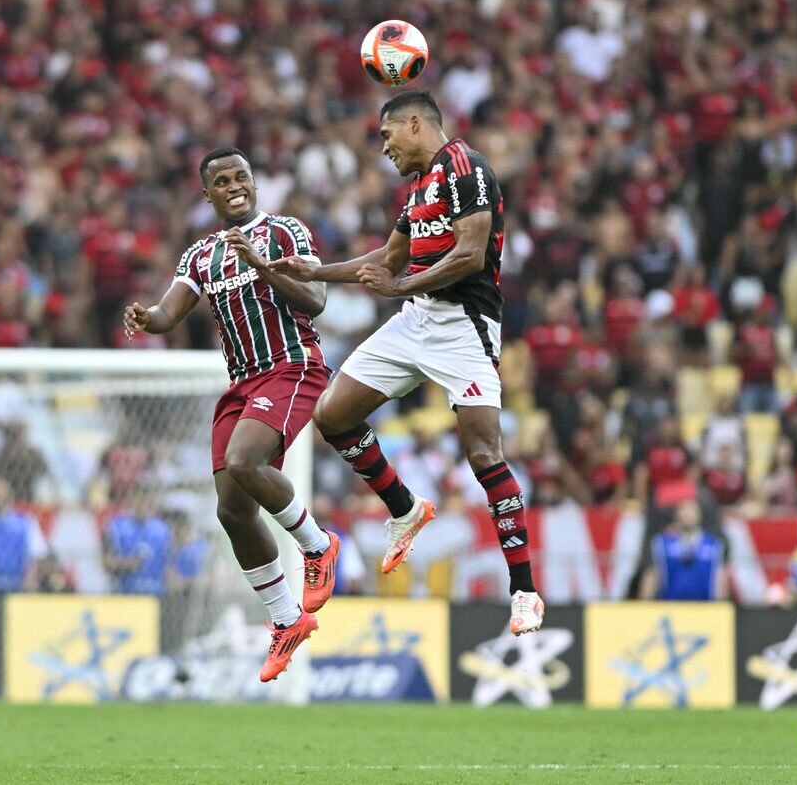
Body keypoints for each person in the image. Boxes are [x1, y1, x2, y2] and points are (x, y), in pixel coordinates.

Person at [268, 90, 544, 635]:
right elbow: (386, 259)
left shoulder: (468, 167)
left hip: (464, 325)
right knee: (333, 415)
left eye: (388, 136)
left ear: (415, 124)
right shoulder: (418, 188)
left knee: (484, 454)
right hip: (416, 317)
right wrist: (312, 272)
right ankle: (405, 508)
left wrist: (400, 285)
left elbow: (470, 252)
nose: (385, 148)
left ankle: (525, 590)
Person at [123, 146, 340, 682]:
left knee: (245, 461)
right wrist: (145, 317)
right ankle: (286, 619)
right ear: (208, 194)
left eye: (241, 176)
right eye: (222, 180)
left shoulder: (286, 232)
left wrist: (262, 266)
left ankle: (319, 545)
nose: (234, 185)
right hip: (242, 383)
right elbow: (169, 314)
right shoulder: (201, 255)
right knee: (231, 510)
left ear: (254, 183)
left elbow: (315, 301)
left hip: (291, 366)